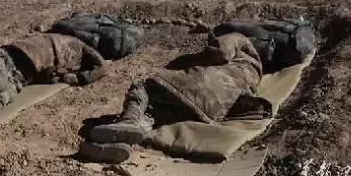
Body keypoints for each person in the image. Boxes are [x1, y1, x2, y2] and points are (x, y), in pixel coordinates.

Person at [79, 17, 315, 163]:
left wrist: (209, 48)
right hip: (218, 109)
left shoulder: (239, 39)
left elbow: (221, 53)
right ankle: (121, 146)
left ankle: (128, 122)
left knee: (144, 87)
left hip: (207, 87)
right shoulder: (257, 69)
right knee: (159, 111)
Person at [0, 33, 110, 135]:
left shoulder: (67, 56)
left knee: (3, 96)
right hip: (2, 58)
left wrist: (66, 76)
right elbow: (102, 68)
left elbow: (46, 73)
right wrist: (78, 78)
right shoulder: (72, 42)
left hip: (19, 78)